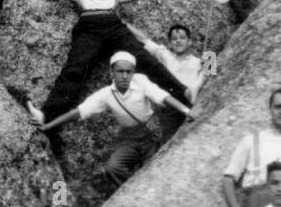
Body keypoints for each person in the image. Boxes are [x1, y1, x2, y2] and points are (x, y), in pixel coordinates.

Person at [30, 0, 191, 157]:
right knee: (74, 71)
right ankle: (46, 116)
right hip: (88, 24)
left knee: (144, 59)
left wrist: (121, 1)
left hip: (113, 24)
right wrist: (73, 0)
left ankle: (183, 92)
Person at [35, 51, 195, 193]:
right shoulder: (105, 94)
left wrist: (186, 111)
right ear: (112, 72)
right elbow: (77, 112)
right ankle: (131, 194)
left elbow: (162, 96)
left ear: (133, 72)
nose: (124, 76)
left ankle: (151, 192)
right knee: (113, 167)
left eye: (128, 72)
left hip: (151, 129)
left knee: (153, 166)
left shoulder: (140, 81)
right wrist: (48, 125)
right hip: (129, 137)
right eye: (120, 71)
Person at [222, 88, 281, 207]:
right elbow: (228, 179)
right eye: (278, 106)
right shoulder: (251, 140)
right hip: (257, 204)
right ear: (270, 108)